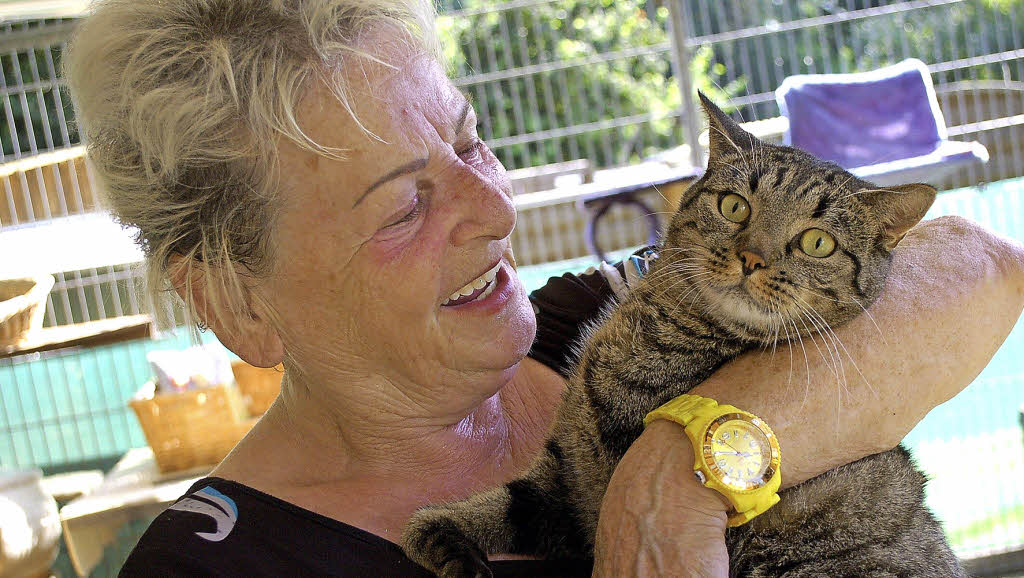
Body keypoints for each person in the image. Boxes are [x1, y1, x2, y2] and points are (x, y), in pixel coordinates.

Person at [64, 0, 1024, 575]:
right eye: (404, 206)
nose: (496, 207)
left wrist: (684, 469)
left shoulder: (600, 319)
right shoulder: (222, 568)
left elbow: (978, 269)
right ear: (238, 301)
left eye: (471, 137)